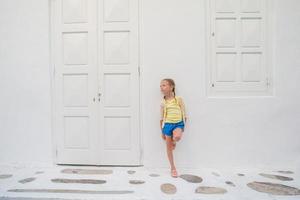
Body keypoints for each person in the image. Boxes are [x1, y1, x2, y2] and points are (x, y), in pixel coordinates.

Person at [160, 78, 187, 178]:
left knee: (177, 137)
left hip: (178, 124)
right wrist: (162, 131)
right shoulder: (163, 103)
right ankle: (173, 168)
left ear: (171, 87)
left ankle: (174, 141)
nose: (161, 87)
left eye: (164, 85)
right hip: (167, 125)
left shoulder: (178, 99)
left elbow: (184, 113)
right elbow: (161, 118)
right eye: (161, 86)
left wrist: (184, 124)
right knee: (169, 148)